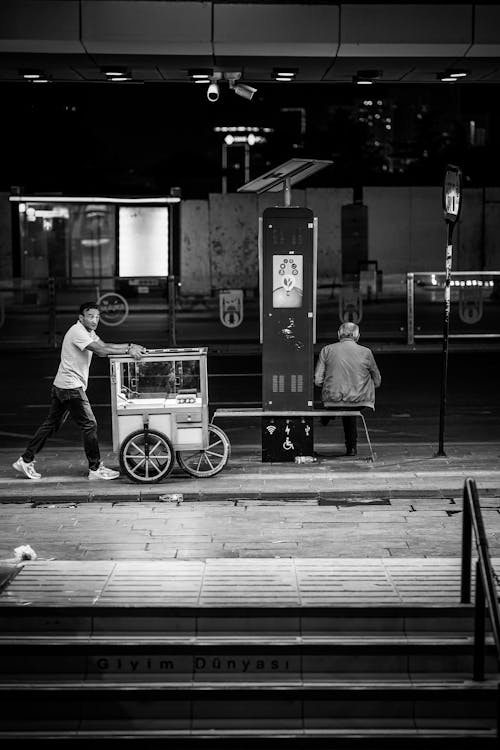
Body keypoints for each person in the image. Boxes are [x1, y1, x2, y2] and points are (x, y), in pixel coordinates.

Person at [13, 301, 146, 481]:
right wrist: (130, 349)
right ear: (81, 317)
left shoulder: (88, 332)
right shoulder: (77, 332)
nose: (94, 320)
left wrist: (129, 346)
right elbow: (101, 351)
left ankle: (26, 459)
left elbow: (107, 345)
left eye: (97, 317)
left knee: (51, 424)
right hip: (70, 387)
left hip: (62, 385)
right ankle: (95, 467)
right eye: (90, 316)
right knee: (90, 424)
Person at [314, 321, 381, 456]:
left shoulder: (326, 350)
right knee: (350, 409)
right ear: (358, 336)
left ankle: (328, 414)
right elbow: (377, 379)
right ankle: (351, 448)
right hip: (359, 399)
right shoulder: (366, 352)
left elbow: (317, 380)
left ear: (339, 334)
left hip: (332, 398)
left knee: (341, 403)